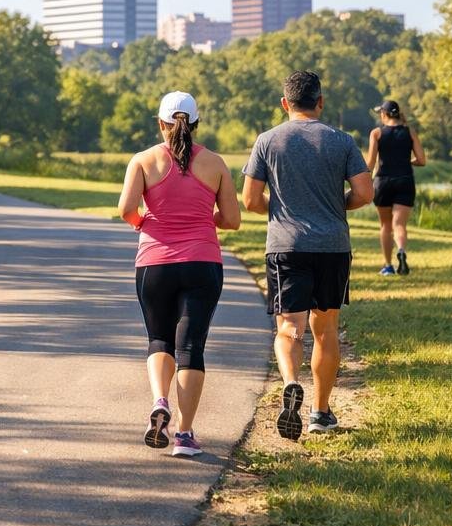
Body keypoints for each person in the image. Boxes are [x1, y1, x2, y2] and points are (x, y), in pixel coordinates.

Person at [242, 70, 373, 440]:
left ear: (285, 103)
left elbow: (250, 200)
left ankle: (288, 383)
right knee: (325, 330)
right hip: (332, 247)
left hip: (287, 247)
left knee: (289, 328)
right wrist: (337, 205)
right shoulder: (342, 141)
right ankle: (320, 411)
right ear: (320, 102)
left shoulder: (267, 141)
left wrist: (280, 208)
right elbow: (365, 193)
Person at [117, 92, 241, 457]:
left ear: (160, 123)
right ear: (197, 123)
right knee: (191, 348)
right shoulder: (215, 163)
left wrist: (145, 223)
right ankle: (185, 436)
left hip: (154, 264)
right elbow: (232, 219)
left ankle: (160, 400)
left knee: (159, 339)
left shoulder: (143, 161)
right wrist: (204, 221)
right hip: (202, 263)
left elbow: (126, 208)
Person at [364, 99, 427, 276]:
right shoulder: (410, 132)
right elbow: (422, 160)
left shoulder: (376, 133)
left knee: (385, 225)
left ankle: (388, 266)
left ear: (383, 114)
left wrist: (359, 180)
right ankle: (401, 250)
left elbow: (370, 164)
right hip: (405, 181)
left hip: (383, 182)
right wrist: (406, 161)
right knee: (399, 224)